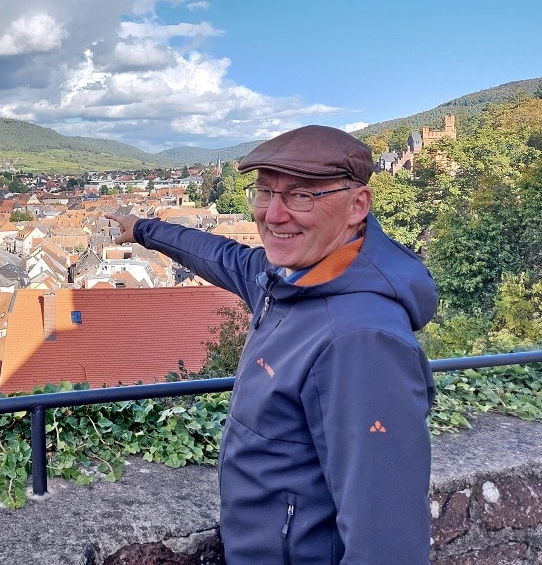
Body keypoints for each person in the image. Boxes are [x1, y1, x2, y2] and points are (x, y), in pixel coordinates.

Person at [107, 125, 437, 565]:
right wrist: (143, 229)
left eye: (302, 196)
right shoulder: (289, 278)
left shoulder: (361, 341)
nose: (274, 215)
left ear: (358, 205)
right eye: (265, 192)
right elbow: (219, 255)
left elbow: (388, 545)